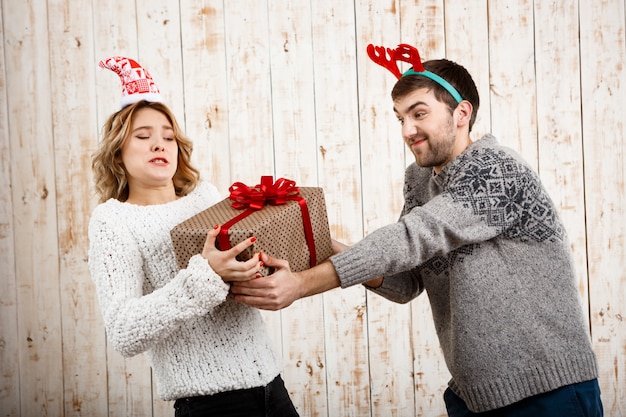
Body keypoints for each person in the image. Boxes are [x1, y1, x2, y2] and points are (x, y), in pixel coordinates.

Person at [227, 44, 603, 416]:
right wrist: (318, 243)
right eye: (400, 118)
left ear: (461, 113)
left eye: (419, 113)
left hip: (547, 392)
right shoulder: (420, 180)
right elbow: (405, 280)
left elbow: (414, 236)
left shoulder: (495, 168)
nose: (407, 130)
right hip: (475, 397)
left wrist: (303, 283)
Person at [88, 56, 299, 417]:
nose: (160, 144)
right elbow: (124, 331)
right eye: (143, 136)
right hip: (211, 407)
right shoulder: (113, 221)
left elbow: (242, 280)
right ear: (118, 153)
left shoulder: (206, 198)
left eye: (168, 137)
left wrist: (268, 269)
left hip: (273, 390)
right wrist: (206, 275)